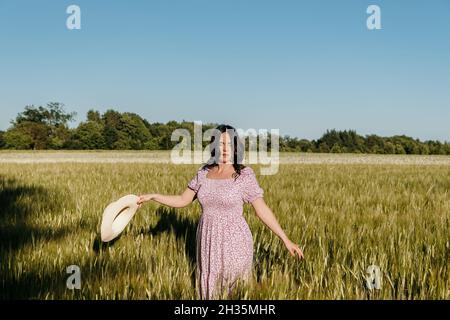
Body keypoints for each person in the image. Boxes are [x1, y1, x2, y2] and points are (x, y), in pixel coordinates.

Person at [137, 124, 304, 299]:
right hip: (208, 242)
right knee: (210, 289)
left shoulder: (244, 175)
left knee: (236, 292)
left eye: (229, 144)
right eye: (221, 143)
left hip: (235, 243)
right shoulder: (204, 172)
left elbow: (261, 209)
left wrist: (285, 239)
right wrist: (154, 196)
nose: (225, 149)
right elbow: (182, 200)